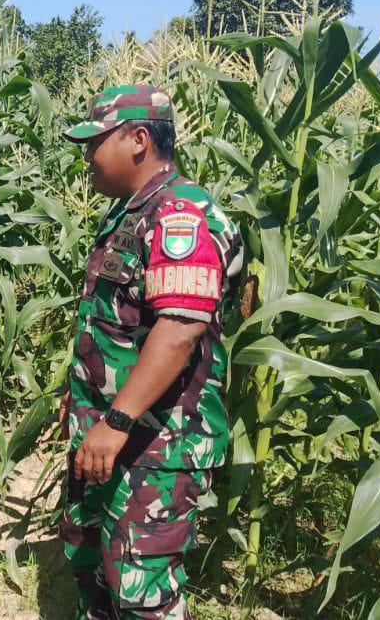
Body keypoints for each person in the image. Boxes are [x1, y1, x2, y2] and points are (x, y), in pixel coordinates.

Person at [57, 85, 244, 619]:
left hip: (158, 441)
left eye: (95, 142)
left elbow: (180, 330)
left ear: (138, 139)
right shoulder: (130, 213)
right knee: (92, 561)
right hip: (110, 434)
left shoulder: (180, 215)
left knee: (141, 588)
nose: (86, 157)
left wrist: (115, 420)